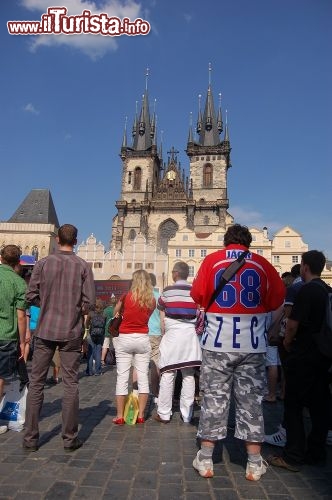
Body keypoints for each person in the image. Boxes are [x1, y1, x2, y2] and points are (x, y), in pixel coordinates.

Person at [190, 224, 285, 481]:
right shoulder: (263, 264)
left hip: (218, 343)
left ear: (226, 242)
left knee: (213, 399)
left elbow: (197, 295)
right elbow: (279, 302)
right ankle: (254, 462)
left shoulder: (212, 260)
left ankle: (207, 459)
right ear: (249, 243)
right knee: (251, 402)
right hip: (252, 345)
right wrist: (266, 326)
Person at [23, 224, 95, 452]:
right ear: (75, 241)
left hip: (45, 330)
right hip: (71, 331)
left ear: (56, 240)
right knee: (70, 383)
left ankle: (31, 438)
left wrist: (46, 306)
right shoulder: (83, 266)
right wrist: (74, 309)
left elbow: (31, 295)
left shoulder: (43, 263)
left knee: (36, 384)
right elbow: (89, 303)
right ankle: (69, 438)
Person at [268, 250, 332, 471]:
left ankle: (293, 455)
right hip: (323, 355)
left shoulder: (306, 291)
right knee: (319, 406)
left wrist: (286, 343)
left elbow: (292, 325)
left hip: (303, 355)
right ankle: (316, 451)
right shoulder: (326, 290)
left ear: (304, 267)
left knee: (293, 406)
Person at [155, 261, 202, 424]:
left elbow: (160, 306)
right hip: (189, 334)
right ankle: (187, 414)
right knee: (188, 375)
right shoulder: (195, 291)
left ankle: (164, 413)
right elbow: (200, 310)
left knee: (168, 373)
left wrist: (163, 326)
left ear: (175, 273)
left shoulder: (167, 291)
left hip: (173, 333)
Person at [112, 270, 155, 425]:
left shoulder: (126, 296)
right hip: (142, 338)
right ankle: (141, 414)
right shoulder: (151, 300)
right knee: (143, 376)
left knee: (122, 377)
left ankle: (120, 415)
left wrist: (122, 311)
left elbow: (115, 312)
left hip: (125, 337)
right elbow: (147, 317)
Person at [0, 245, 27, 435]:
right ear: (18, 262)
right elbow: (20, 316)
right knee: (1, 378)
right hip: (6, 335)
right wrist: (23, 340)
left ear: (0, 258)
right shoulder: (19, 283)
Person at [86, 298, 106, 376]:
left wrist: (87, 328)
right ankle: (98, 371)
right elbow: (104, 325)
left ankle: (89, 371)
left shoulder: (91, 313)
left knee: (90, 352)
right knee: (98, 352)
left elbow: (86, 323)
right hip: (100, 334)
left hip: (92, 334)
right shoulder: (104, 314)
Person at [101, 294, 117, 366]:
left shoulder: (105, 310)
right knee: (116, 347)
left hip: (107, 330)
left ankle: (102, 360)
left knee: (105, 346)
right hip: (114, 331)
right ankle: (117, 360)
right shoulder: (116, 309)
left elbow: (103, 320)